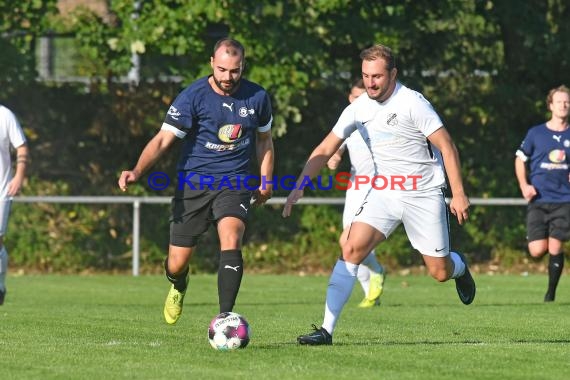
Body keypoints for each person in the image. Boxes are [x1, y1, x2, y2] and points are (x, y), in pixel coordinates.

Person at [282, 43, 475, 345]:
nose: (370, 83)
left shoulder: (413, 103)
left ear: (393, 74)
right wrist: (299, 186)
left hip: (423, 195)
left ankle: (459, 267)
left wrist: (459, 193)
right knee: (351, 247)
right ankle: (326, 330)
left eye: (377, 77)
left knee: (439, 272)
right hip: (384, 192)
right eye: (365, 76)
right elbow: (324, 149)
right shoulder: (359, 107)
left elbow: (447, 147)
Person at [118, 38, 274, 324]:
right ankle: (179, 283)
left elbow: (264, 141)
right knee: (176, 264)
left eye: (235, 71)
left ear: (243, 67)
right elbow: (163, 139)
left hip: (235, 181)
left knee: (231, 237)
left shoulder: (257, 97)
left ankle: (225, 317)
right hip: (194, 184)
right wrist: (137, 171)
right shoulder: (193, 96)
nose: (229, 77)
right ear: (212, 63)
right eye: (223, 69)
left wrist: (266, 180)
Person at [326, 78, 386, 308]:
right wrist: (334, 157)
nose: (358, 101)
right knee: (347, 243)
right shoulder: (348, 120)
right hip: (355, 187)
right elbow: (335, 147)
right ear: (349, 97)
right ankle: (372, 291)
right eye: (354, 96)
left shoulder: (379, 119)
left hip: (381, 186)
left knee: (349, 241)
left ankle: (376, 275)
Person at [515, 85, 570, 302]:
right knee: (537, 251)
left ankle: (550, 295)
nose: (564, 105)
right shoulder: (536, 133)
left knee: (556, 245)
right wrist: (524, 185)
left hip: (564, 201)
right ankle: (546, 250)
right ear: (551, 105)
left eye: (567, 102)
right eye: (559, 102)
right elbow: (520, 159)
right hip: (538, 200)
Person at [0, 104, 28, 305]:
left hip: (1, 190)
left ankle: (0, 285)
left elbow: (21, 146)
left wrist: (19, 175)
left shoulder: (5, 115)